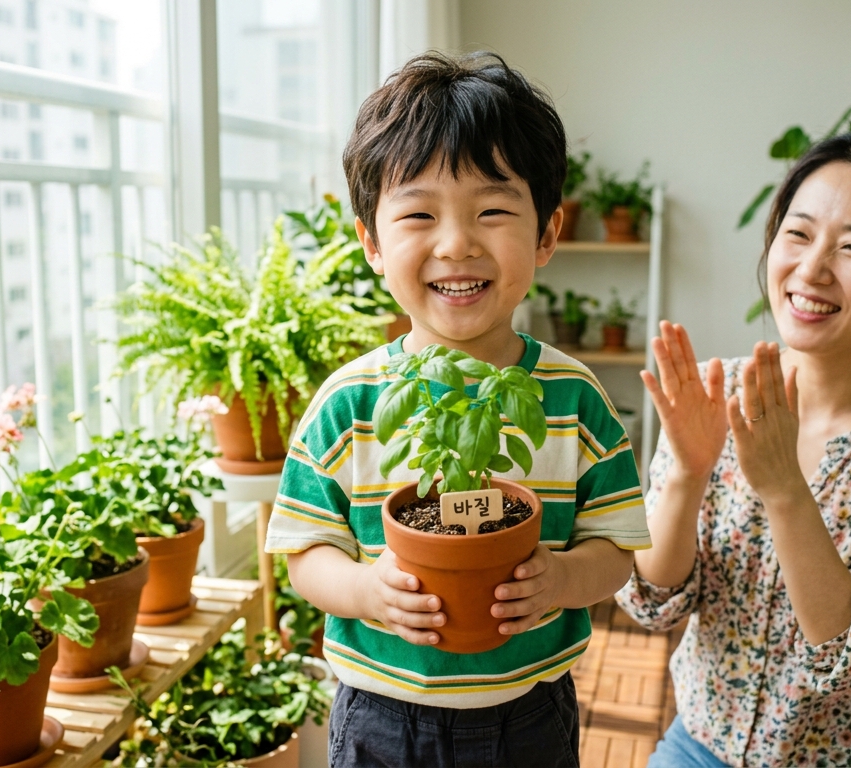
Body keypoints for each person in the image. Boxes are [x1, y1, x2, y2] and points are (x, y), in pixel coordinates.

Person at [264, 51, 651, 768]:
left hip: (531, 712)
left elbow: (615, 549)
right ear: (372, 243)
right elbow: (306, 555)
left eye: (493, 210)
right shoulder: (347, 405)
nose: (456, 244)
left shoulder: (576, 399)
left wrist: (565, 579)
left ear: (546, 235)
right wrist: (364, 590)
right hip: (383, 715)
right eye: (418, 214)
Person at [622, 127, 851, 768]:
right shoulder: (716, 393)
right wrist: (686, 472)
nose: (812, 269)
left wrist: (785, 489)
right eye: (797, 234)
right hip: (701, 743)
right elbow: (651, 604)